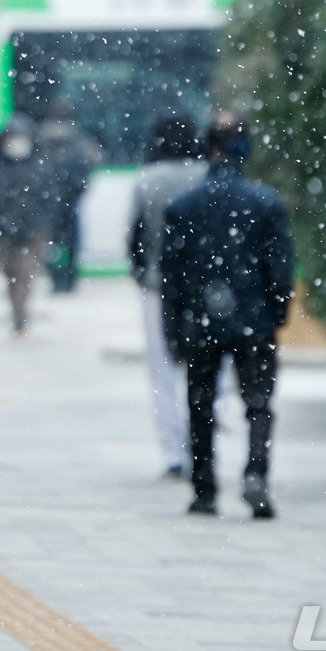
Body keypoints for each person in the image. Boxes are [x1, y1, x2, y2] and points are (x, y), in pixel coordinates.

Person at [161, 114, 293, 519]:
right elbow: (281, 267)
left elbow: (172, 276)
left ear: (208, 147)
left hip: (201, 318)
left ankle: (204, 489)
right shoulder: (266, 203)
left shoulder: (183, 207)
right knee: (259, 403)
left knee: (200, 404)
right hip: (254, 318)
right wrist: (276, 313)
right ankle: (256, 472)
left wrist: (174, 327)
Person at [128, 115, 209, 478]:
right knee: (206, 367)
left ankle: (173, 453)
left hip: (157, 287)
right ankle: (203, 444)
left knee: (161, 371)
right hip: (204, 286)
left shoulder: (147, 181)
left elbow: (135, 237)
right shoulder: (206, 175)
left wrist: (142, 273)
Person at [0, 116, 51, 335]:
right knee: (11, 274)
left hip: (33, 232)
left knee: (26, 272)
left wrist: (42, 225)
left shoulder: (40, 164)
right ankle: (17, 312)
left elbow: (49, 198)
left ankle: (21, 314)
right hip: (3, 232)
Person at [39, 105, 100, 293]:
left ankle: (55, 278)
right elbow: (95, 158)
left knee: (52, 242)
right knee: (72, 240)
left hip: (47, 201)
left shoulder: (40, 137)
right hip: (72, 198)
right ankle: (69, 278)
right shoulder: (78, 138)